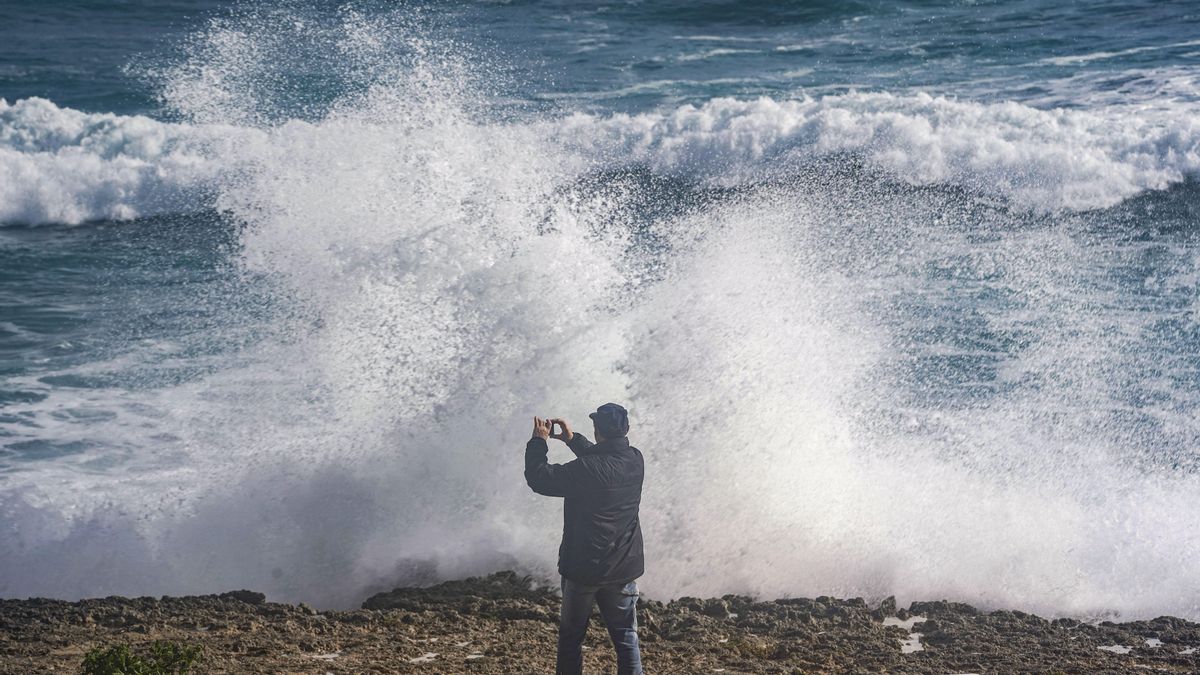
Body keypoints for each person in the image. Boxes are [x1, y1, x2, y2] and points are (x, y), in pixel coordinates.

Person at [525, 403, 644, 675]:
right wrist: (572, 440)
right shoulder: (635, 459)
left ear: (597, 430)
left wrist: (538, 442)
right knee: (626, 638)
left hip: (584, 569)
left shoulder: (585, 470)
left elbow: (539, 478)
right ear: (626, 429)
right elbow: (603, 460)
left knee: (571, 639)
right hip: (623, 568)